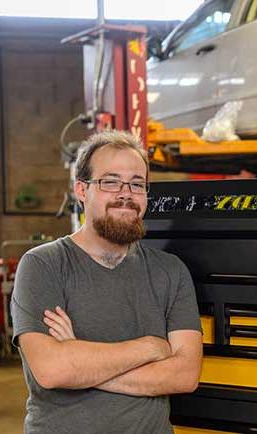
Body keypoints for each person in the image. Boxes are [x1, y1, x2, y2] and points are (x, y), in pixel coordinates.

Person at [11, 130, 203, 434]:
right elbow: (53, 370)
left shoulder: (170, 271)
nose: (125, 193)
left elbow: (185, 375)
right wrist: (151, 347)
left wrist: (81, 361)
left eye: (137, 184)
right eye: (110, 182)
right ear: (81, 190)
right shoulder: (43, 265)